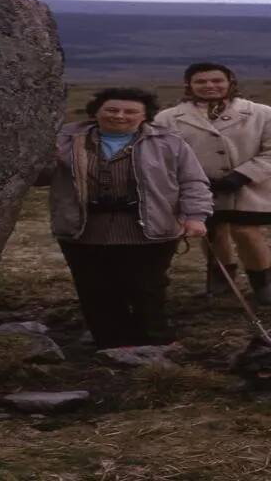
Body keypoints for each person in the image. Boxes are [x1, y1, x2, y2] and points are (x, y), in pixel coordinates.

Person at [39, 87, 211, 349]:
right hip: (84, 229)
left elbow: (193, 181)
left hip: (150, 229)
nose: (120, 116)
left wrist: (195, 216)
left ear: (144, 116)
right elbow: (39, 178)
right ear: (96, 111)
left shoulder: (169, 142)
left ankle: (154, 341)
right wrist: (44, 159)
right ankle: (109, 342)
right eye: (111, 109)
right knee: (94, 289)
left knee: (147, 288)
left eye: (130, 111)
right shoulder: (64, 140)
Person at [154, 62, 271, 304]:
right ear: (189, 84)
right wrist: (187, 179)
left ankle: (263, 284)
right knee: (211, 232)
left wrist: (243, 174)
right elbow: (160, 153)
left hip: (250, 186)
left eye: (217, 81)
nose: (209, 86)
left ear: (230, 82)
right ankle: (222, 281)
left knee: (246, 232)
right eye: (201, 81)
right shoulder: (168, 118)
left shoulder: (262, 113)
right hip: (197, 188)